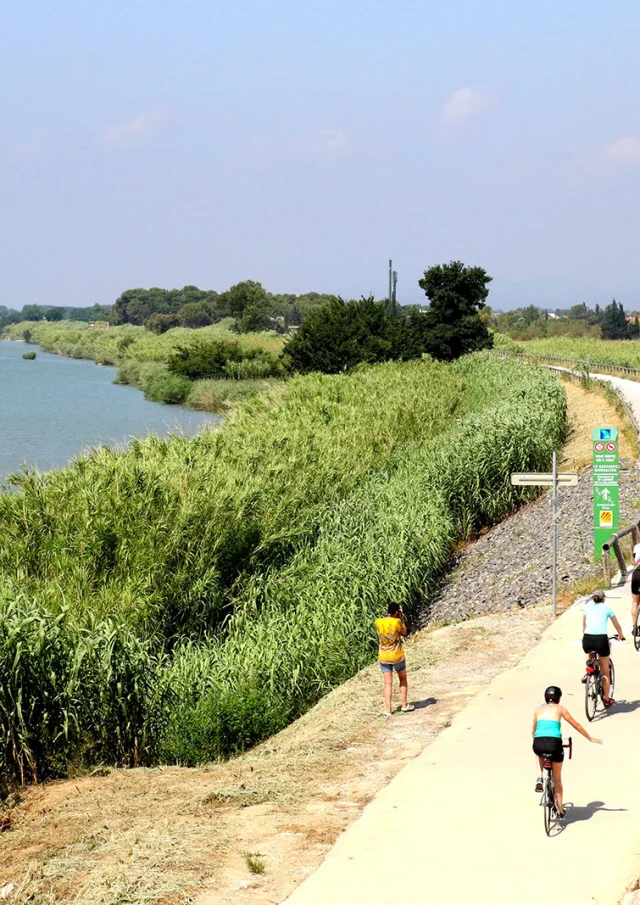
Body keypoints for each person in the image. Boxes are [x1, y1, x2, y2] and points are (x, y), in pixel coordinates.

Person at [532, 685, 602, 819]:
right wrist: (590, 738)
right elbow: (575, 724)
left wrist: (534, 742)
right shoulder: (561, 709)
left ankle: (540, 777)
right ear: (558, 699)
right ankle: (559, 811)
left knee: (538, 751)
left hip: (539, 742)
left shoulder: (538, 709)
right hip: (554, 744)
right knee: (557, 780)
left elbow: (534, 730)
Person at [582, 590, 625, 706]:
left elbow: (584, 625)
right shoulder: (607, 608)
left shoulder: (587, 608)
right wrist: (621, 636)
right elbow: (617, 625)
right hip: (601, 640)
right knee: (605, 671)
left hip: (587, 639)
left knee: (591, 653)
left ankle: (589, 669)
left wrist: (586, 637)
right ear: (603, 599)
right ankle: (606, 699)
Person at [375, 603, 414, 716]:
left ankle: (388, 710)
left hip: (383, 656)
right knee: (402, 679)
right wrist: (401, 618)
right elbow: (404, 632)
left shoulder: (378, 622)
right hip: (397, 655)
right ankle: (404, 705)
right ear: (397, 611)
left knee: (387, 683)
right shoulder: (396, 622)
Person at [630, 543, 640, 634]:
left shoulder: (636, 546)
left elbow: (634, 557)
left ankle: (634, 627)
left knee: (635, 602)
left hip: (637, 573)